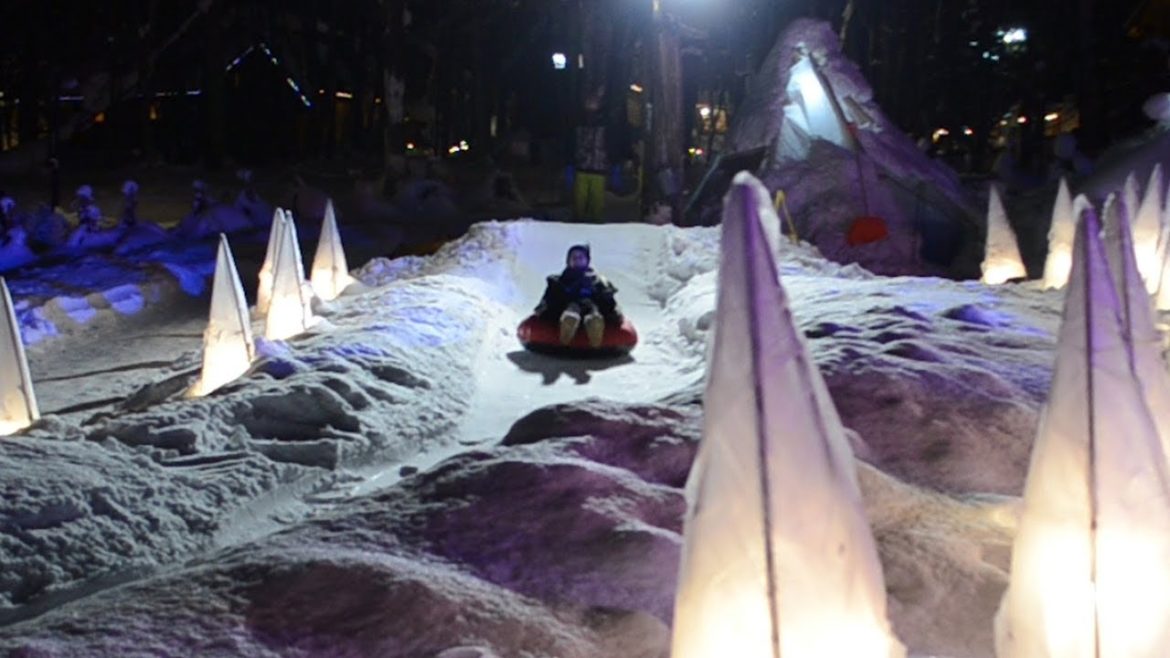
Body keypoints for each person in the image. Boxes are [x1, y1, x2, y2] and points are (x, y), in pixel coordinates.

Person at [534, 244, 622, 348]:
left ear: (587, 261)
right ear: (568, 261)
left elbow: (610, 304)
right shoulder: (559, 281)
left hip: (592, 306)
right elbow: (549, 300)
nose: (577, 260)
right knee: (572, 309)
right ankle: (568, 325)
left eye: (580, 257)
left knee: (593, 311)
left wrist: (603, 296)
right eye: (574, 258)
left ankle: (595, 325)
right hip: (566, 307)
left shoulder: (599, 281)